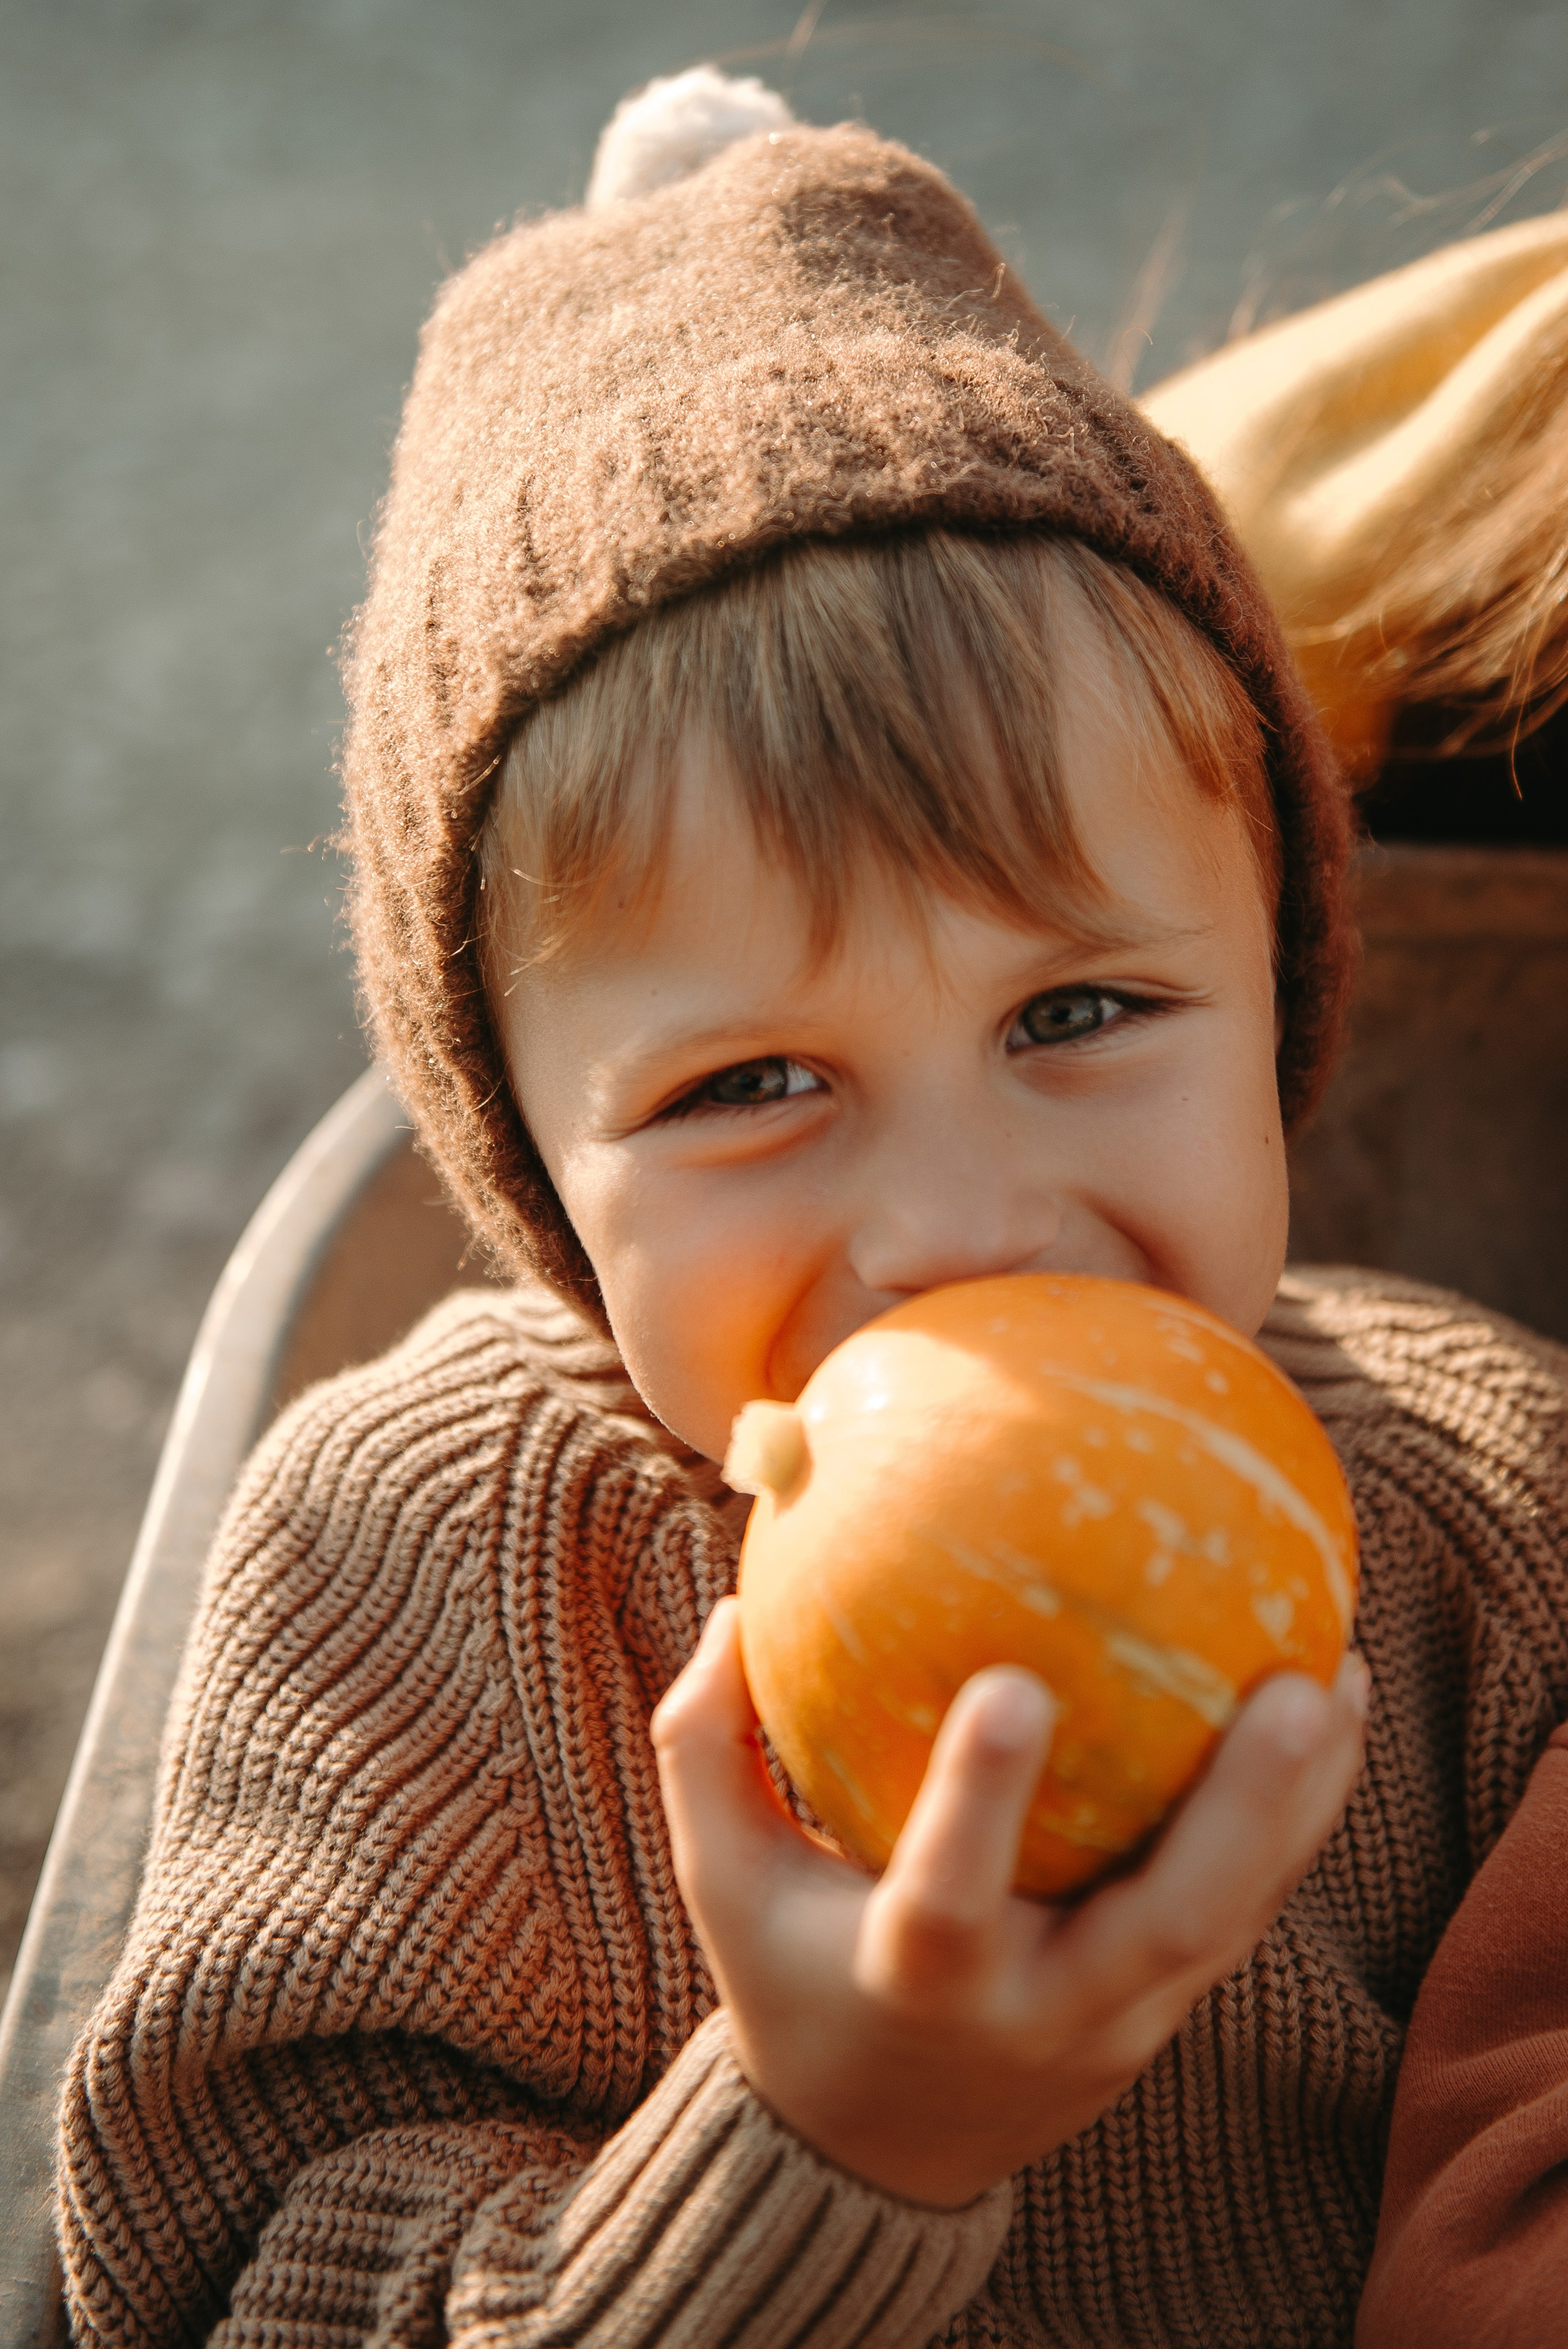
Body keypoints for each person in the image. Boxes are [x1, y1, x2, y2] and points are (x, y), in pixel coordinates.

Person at [55, 68, 1568, 2349]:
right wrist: (832, 2145)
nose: (953, 1224)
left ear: (1279, 994)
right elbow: (212, 2294)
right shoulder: (429, 1574)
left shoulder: (1490, 1505)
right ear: (535, 1165)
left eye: (1080, 1013)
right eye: (754, 1085)